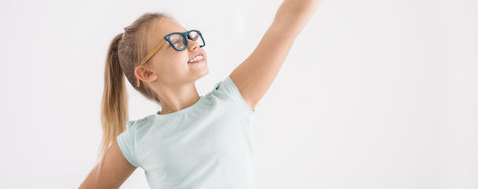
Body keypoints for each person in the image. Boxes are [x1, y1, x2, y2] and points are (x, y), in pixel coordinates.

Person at [79, 0, 321, 188]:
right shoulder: (137, 139)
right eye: (176, 42)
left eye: (190, 36)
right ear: (146, 73)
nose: (194, 45)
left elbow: (285, 27)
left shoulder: (232, 99)